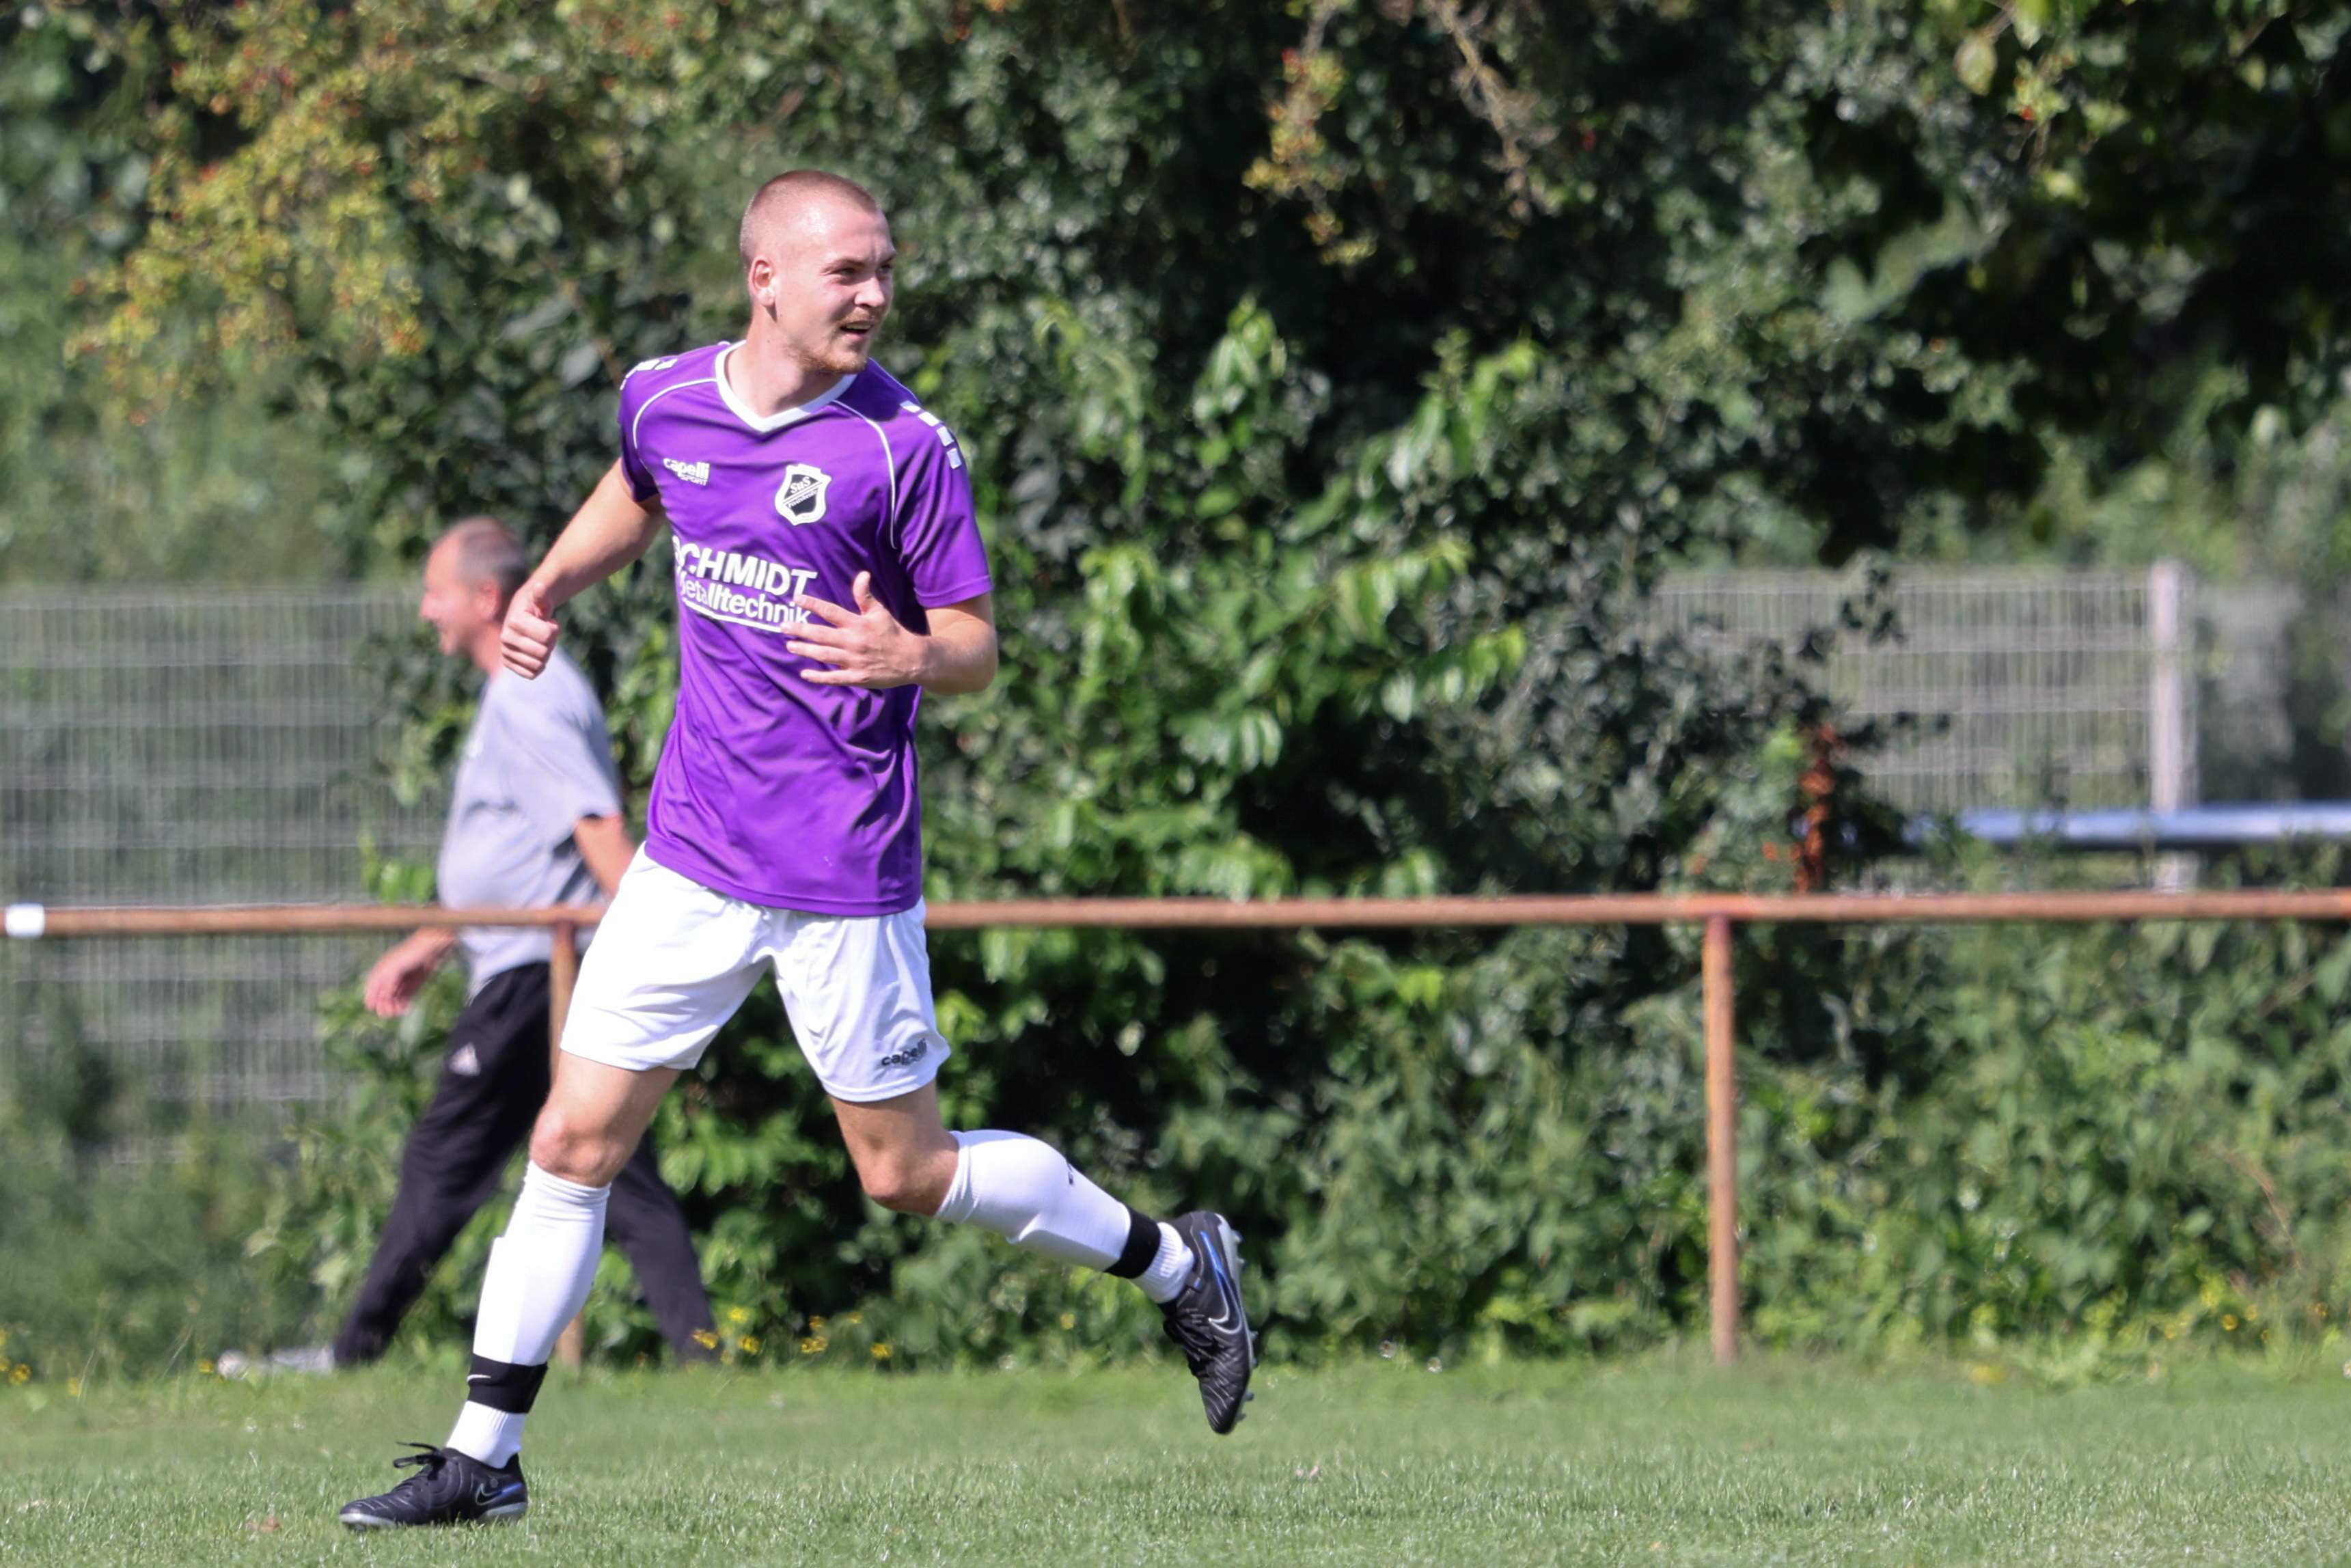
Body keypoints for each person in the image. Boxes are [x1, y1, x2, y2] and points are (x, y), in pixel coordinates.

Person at [338, 171, 1254, 1530]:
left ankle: (1179, 1265)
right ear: (763, 278)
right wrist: (547, 586)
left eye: (884, 271)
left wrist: (910, 652)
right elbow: (636, 490)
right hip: (689, 855)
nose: (874, 295)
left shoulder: (903, 448)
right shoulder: (666, 398)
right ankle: (486, 1458)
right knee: (571, 1137)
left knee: (902, 1174)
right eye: (848, 273)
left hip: (839, 875)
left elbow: (978, 647)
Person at [326, 517, 716, 1372]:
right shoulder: (521, 688)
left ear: (485, 598)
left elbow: (597, 830)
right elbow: (523, 855)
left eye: (436, 592)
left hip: (542, 974)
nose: (426, 610)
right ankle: (705, 1357)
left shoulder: (527, 691)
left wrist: (668, 944)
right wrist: (437, 937)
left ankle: (350, 1355)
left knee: (445, 1159)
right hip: (537, 960)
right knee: (619, 1170)